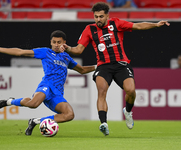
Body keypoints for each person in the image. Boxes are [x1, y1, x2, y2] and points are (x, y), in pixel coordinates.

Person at [60, 2, 170, 136]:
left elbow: (138, 26)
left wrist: (156, 24)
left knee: (131, 90)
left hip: (121, 64)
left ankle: (128, 111)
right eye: (96, 17)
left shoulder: (116, 23)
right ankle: (103, 123)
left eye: (101, 16)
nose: (98, 19)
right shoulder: (89, 29)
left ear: (107, 16)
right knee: (101, 90)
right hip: (103, 66)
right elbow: (78, 50)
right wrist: (69, 48)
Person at [0, 30, 95, 136]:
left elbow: (82, 70)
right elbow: (21, 52)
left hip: (57, 94)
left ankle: (35, 121)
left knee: (69, 115)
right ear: (50, 42)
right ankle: (9, 101)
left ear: (64, 43)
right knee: (33, 104)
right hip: (46, 86)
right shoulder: (45, 52)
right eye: (54, 42)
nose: (56, 45)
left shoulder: (66, 57)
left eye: (59, 42)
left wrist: (98, 66)